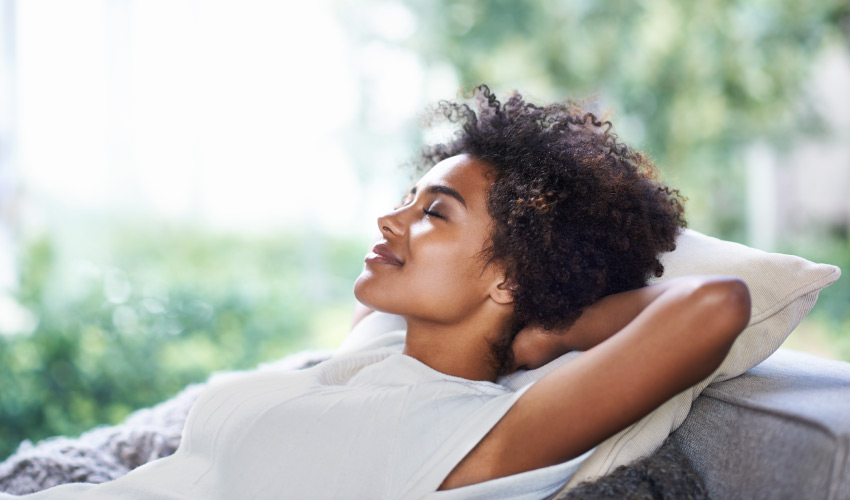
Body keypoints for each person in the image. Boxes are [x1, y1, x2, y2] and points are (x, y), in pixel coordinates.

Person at [0, 86, 750, 499]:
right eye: (409, 197)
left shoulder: (478, 438)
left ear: (508, 277)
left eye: (433, 213)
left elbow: (716, 305)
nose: (392, 219)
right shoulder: (381, 347)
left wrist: (549, 331)